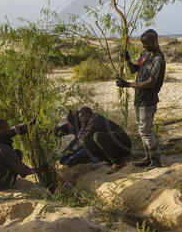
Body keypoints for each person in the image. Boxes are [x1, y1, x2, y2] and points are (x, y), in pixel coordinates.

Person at [116, 29, 166, 171]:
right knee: (141, 129)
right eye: (142, 44)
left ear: (154, 41)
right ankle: (147, 158)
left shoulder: (158, 59)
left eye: (145, 44)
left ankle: (155, 161)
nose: (143, 47)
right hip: (139, 98)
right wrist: (127, 60)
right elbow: (134, 70)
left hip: (148, 100)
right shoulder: (145, 54)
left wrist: (127, 84)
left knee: (146, 130)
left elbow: (151, 83)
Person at [0, 119, 45, 190]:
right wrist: (41, 168)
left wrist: (28, 124)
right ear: (1, 131)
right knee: (18, 155)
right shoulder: (2, 149)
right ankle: (7, 183)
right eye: (7, 127)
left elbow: (11, 132)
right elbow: (23, 171)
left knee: (11, 158)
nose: (9, 128)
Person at [67, 107, 132, 174]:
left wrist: (71, 151)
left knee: (97, 136)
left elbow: (84, 138)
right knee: (90, 141)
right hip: (119, 146)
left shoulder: (95, 120)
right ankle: (109, 160)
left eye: (82, 120)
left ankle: (118, 163)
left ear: (87, 116)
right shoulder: (92, 120)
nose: (82, 123)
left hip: (124, 146)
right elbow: (82, 139)